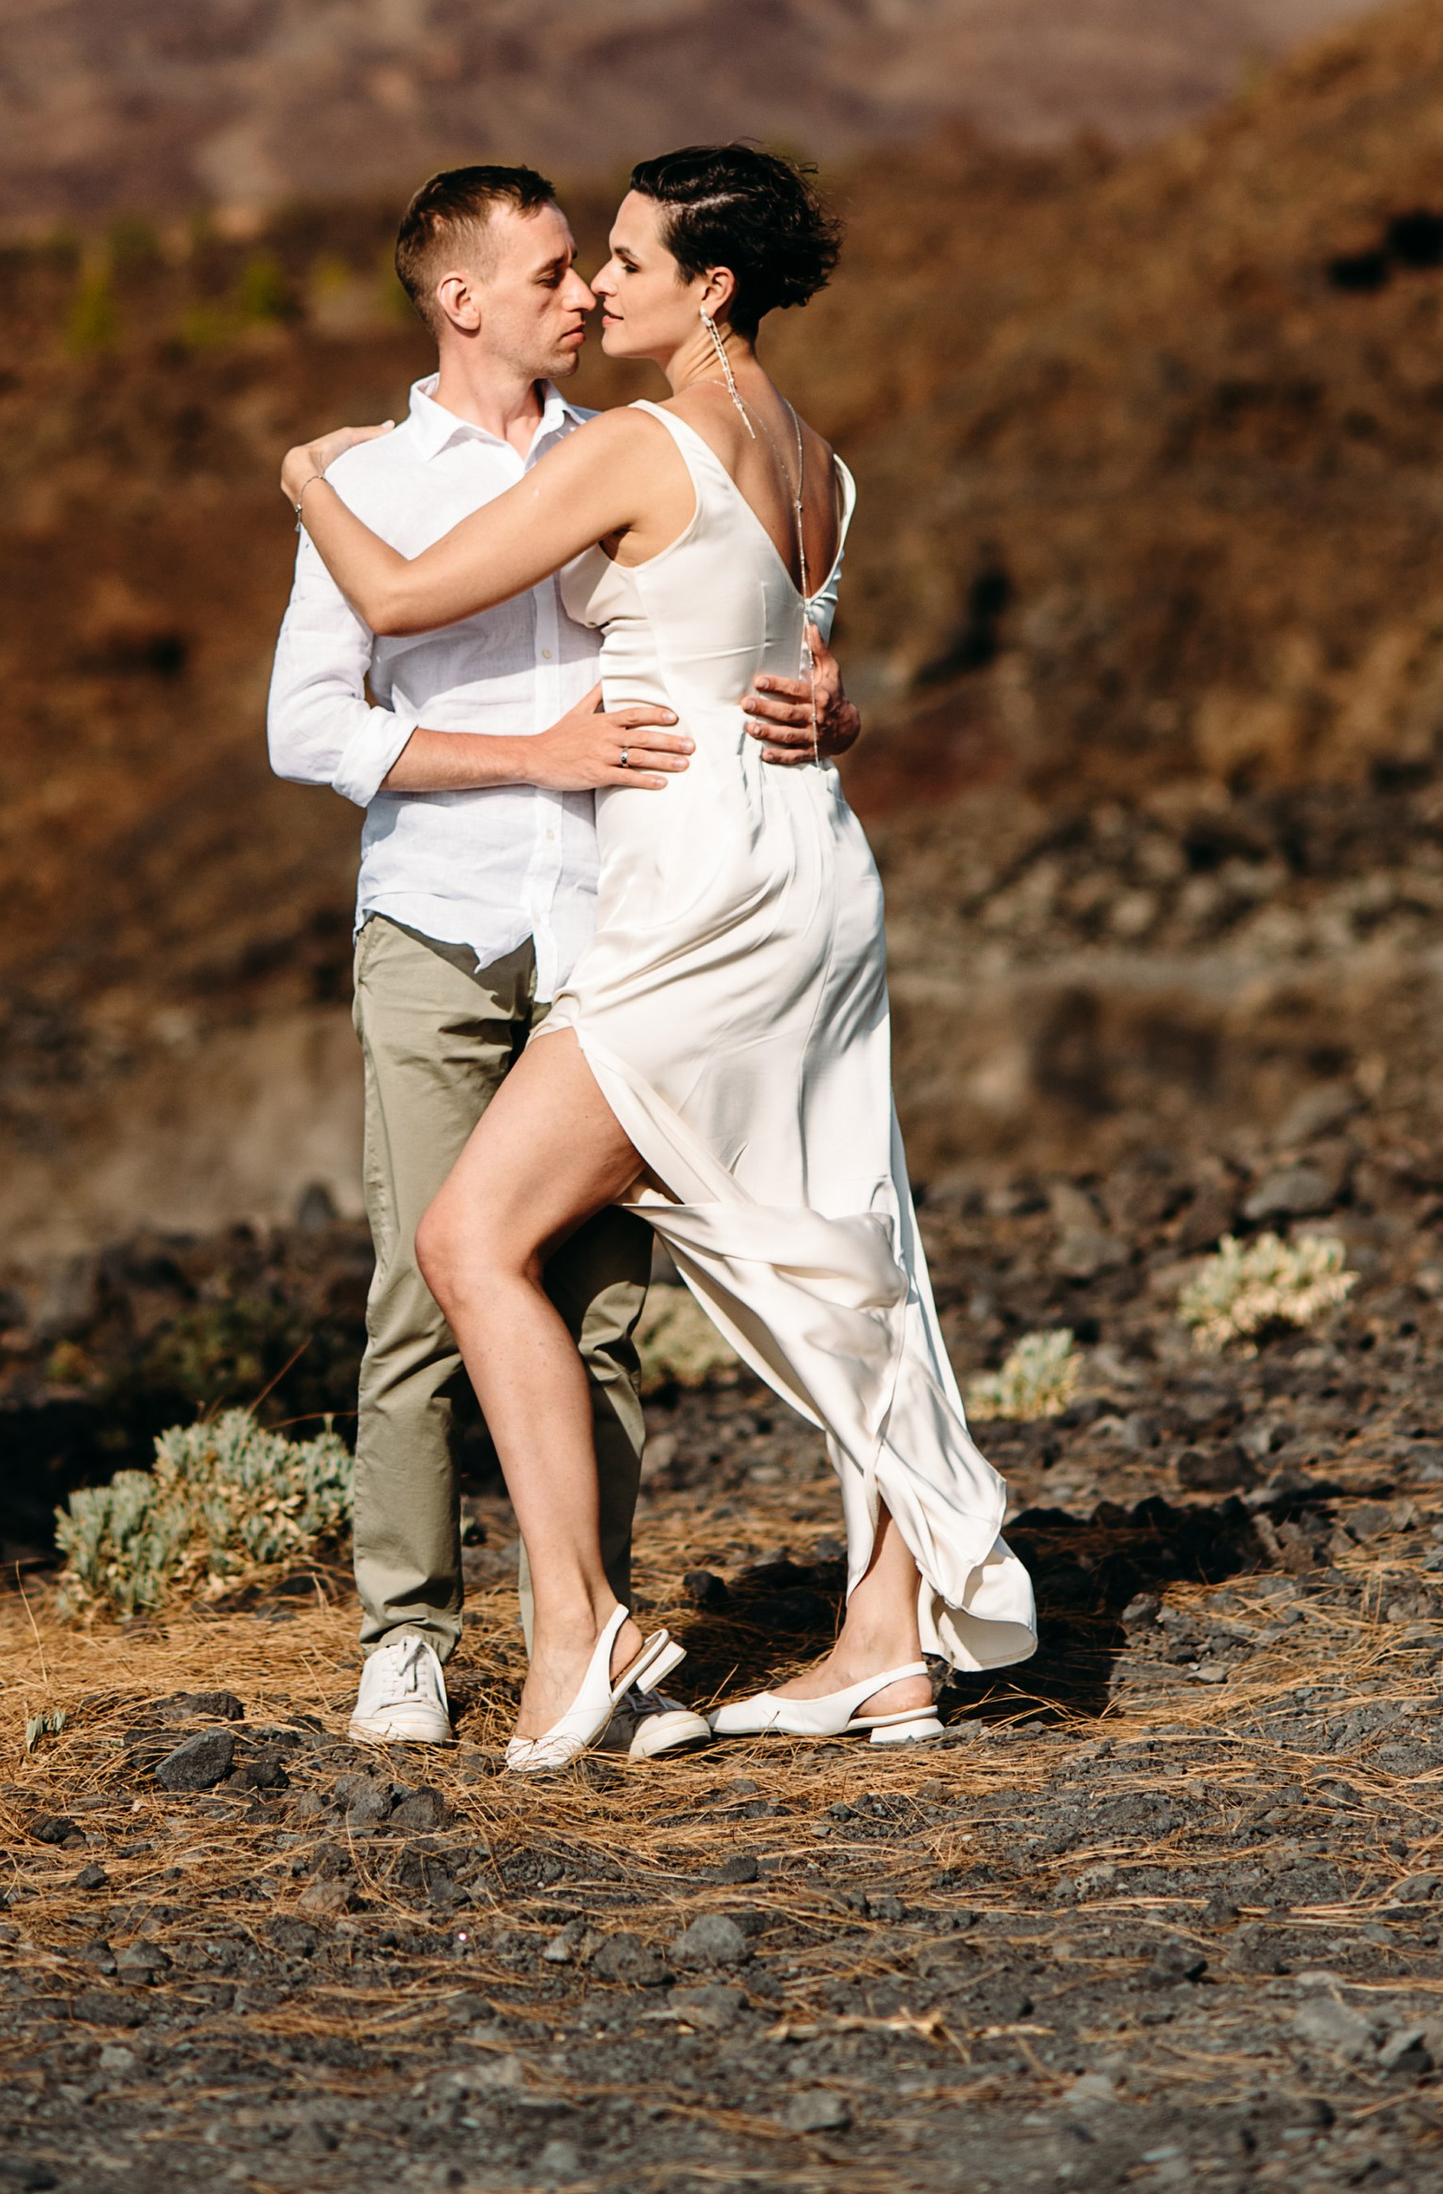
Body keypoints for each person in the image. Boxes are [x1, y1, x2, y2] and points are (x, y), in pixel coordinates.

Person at [280, 143, 1036, 1772]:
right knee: (837, 1245)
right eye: (583, 261)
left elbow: (398, 600)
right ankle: (886, 1644)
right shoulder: (824, 464)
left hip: (695, 897)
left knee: (472, 1237)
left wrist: (304, 483)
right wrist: (841, 715)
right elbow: (794, 668)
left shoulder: (633, 443)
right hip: (813, 874)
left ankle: (584, 1636)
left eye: (624, 260)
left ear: (711, 287)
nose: (597, 286)